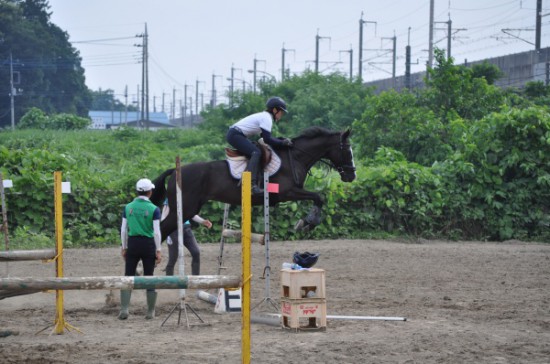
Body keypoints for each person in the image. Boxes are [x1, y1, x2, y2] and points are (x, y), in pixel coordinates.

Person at [226, 96, 293, 194]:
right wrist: (282, 143)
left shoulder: (264, 116)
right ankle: (250, 185)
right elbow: (267, 139)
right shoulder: (267, 118)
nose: (281, 115)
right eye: (281, 112)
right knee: (256, 152)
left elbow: (265, 137)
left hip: (236, 134)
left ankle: (258, 180)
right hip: (235, 135)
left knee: (257, 151)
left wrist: (280, 140)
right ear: (275, 110)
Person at [118, 178, 162, 320]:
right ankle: (150, 311)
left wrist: (124, 247)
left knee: (128, 275)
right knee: (150, 276)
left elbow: (124, 230)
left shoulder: (128, 207)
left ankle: (124, 309)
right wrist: (159, 250)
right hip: (148, 244)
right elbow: (156, 232)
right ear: (150, 192)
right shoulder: (154, 209)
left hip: (133, 243)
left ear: (137, 191)